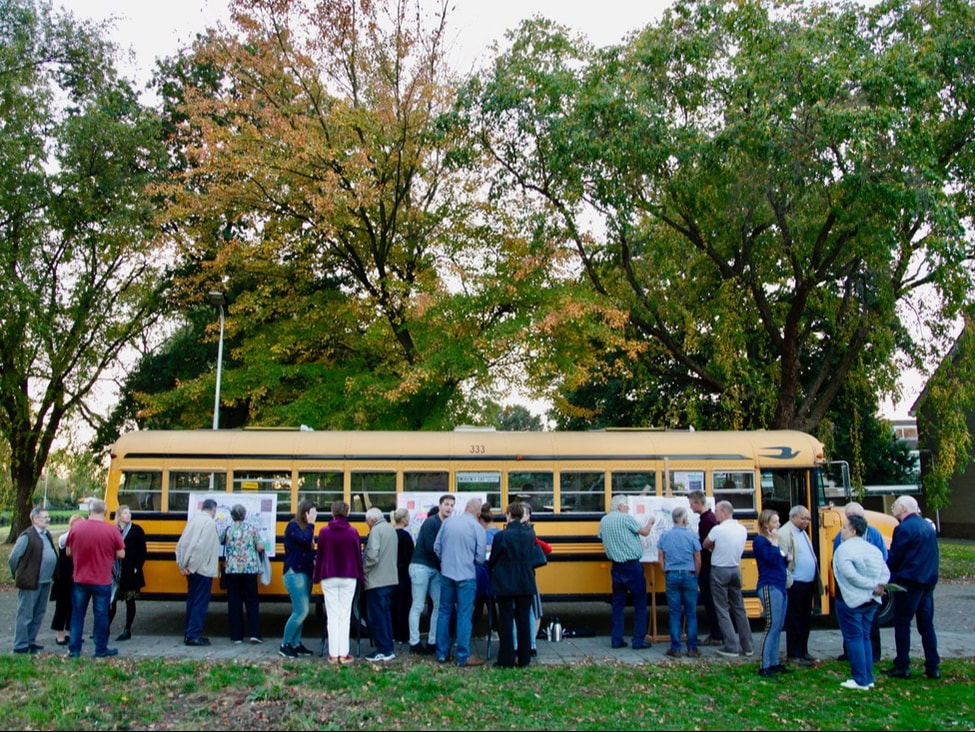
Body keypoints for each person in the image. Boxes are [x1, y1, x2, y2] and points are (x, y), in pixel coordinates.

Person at [884, 495, 940, 680]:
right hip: (927, 582)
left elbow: (895, 556)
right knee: (926, 625)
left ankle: (902, 665)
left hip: (908, 581)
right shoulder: (927, 527)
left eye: (896, 506)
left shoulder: (903, 529)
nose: (894, 509)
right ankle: (933, 665)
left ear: (904, 508)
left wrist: (886, 575)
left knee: (902, 623)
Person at [833, 514, 890, 690]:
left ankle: (859, 679)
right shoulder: (873, 549)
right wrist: (878, 586)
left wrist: (872, 586)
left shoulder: (844, 550)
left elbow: (850, 575)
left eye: (844, 528)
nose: (841, 531)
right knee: (865, 637)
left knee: (854, 638)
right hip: (872, 601)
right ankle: (868, 677)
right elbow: (885, 572)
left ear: (853, 531)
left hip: (851, 601)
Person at [66, 499, 126, 658]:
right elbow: (121, 554)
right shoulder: (112, 530)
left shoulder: (76, 528)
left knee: (77, 615)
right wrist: (107, 555)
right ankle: (100, 649)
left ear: (89, 511)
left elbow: (68, 552)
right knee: (101, 616)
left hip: (80, 579)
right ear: (105, 513)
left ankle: (74, 650)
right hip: (102, 580)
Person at [434, 497, 487, 666]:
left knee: (444, 612)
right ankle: (463, 656)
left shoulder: (448, 523)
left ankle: (442, 653)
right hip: (466, 576)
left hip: (447, 574)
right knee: (464, 615)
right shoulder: (478, 528)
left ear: (465, 507)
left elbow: (437, 547)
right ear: (478, 514)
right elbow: (480, 558)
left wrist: (446, 561)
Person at [598, 494, 654, 650]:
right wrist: (650, 521)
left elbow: (601, 537)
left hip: (616, 567)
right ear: (619, 507)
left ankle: (616, 639)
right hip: (632, 566)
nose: (628, 508)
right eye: (626, 505)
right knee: (640, 602)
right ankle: (638, 640)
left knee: (618, 604)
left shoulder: (604, 520)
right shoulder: (625, 518)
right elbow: (644, 532)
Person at [313, 500, 364, 664]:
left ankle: (333, 654)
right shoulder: (353, 532)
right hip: (349, 576)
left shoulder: (324, 532)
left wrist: (316, 577)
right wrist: (361, 577)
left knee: (332, 615)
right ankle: (344, 653)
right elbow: (358, 557)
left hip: (329, 576)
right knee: (345, 614)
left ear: (332, 513)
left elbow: (319, 556)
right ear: (347, 513)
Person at [702, 500, 754, 658]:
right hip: (735, 569)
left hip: (719, 570)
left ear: (724, 512)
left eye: (717, 511)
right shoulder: (742, 529)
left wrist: (714, 549)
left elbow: (705, 544)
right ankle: (748, 646)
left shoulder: (717, 530)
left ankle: (731, 646)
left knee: (722, 608)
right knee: (739, 608)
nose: (715, 513)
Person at [488, 502, 537, 668]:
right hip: (525, 580)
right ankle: (525, 658)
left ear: (508, 515)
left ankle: (506, 659)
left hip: (506, 582)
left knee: (506, 620)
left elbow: (493, 559)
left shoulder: (501, 536)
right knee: (524, 619)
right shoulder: (529, 534)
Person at [408, 494, 454, 655]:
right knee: (418, 606)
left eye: (452, 505)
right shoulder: (431, 523)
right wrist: (445, 563)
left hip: (435, 568)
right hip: (421, 565)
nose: (449, 508)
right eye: (446, 504)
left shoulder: (447, 524)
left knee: (439, 604)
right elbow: (431, 547)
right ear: (440, 506)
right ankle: (414, 642)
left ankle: (433, 640)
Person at [9, 506, 58, 654]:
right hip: (31, 581)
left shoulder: (46, 534)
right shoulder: (27, 536)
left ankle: (31, 640)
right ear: (35, 519)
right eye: (45, 517)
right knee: (26, 614)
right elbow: (13, 558)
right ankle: (20, 645)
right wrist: (17, 574)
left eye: (48, 517)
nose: (48, 519)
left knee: (38, 613)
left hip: (45, 581)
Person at [778, 504, 820, 667]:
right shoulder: (785, 533)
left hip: (807, 582)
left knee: (805, 619)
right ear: (793, 517)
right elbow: (783, 559)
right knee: (795, 619)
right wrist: (790, 580)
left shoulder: (802, 532)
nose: (807, 521)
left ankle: (803, 650)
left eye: (808, 518)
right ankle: (794, 653)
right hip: (796, 583)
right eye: (804, 518)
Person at [657, 505, 702, 658]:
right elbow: (697, 558)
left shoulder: (665, 536)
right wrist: (695, 573)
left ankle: (675, 648)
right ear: (684, 520)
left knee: (674, 613)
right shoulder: (692, 536)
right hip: (689, 574)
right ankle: (692, 648)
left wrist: (665, 572)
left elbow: (660, 558)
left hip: (672, 575)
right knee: (691, 613)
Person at [175, 498, 220, 647]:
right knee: (200, 602)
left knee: (192, 601)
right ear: (213, 510)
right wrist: (193, 567)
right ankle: (194, 635)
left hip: (190, 568)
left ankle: (188, 632)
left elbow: (181, 544)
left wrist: (183, 565)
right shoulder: (209, 523)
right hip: (202, 569)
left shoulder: (193, 521)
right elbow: (202, 547)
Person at [220, 504, 265, 644]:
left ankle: (236, 636)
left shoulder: (228, 530)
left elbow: (221, 541)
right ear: (244, 515)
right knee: (251, 601)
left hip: (232, 570)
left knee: (234, 602)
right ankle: (254, 633)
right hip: (249, 570)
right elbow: (260, 546)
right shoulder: (251, 529)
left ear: (232, 516)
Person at [753, 509, 789, 677]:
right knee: (771, 625)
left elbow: (780, 562)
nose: (778, 525)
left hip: (780, 585)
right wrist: (775, 543)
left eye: (778, 521)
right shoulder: (760, 541)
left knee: (778, 626)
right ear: (766, 524)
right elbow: (771, 559)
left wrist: (786, 558)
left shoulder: (774, 542)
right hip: (769, 585)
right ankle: (764, 665)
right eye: (775, 522)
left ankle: (774, 662)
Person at [281, 500, 317, 657]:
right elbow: (304, 540)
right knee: (302, 611)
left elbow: (308, 549)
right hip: (294, 572)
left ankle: (295, 643)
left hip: (306, 572)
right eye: (312, 513)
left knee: (299, 610)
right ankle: (285, 644)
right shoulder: (293, 527)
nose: (315, 516)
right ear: (305, 513)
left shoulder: (304, 528)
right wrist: (311, 524)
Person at [362, 507, 398, 662]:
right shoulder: (391, 530)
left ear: (371, 520)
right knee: (386, 615)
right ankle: (389, 647)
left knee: (376, 617)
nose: (367, 525)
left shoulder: (376, 531)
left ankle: (383, 649)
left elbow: (372, 556)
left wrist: (362, 569)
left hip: (377, 581)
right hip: (390, 579)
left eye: (366, 522)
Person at [689, 490, 723, 646]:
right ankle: (716, 633)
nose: (690, 507)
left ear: (698, 503)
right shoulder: (707, 518)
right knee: (710, 601)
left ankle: (716, 634)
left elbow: (708, 545)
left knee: (710, 601)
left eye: (691, 504)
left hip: (707, 566)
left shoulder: (707, 520)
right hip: (708, 565)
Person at [109, 505, 146, 641]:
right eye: (125, 513)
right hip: (115, 572)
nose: (128, 515)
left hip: (131, 572)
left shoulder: (136, 530)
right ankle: (105, 627)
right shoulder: (113, 531)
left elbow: (142, 551)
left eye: (129, 513)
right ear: (119, 516)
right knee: (111, 601)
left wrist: (137, 567)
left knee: (130, 601)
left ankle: (127, 629)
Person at [51, 513, 84, 646]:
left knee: (75, 605)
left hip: (77, 575)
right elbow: (65, 542)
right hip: (64, 576)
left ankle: (72, 631)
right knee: (62, 605)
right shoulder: (65, 537)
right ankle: (60, 632)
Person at [391, 508, 414, 645]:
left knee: (393, 605)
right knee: (404, 605)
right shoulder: (406, 537)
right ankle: (403, 634)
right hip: (404, 574)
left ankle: (393, 633)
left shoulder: (391, 534)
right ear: (404, 519)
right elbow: (410, 556)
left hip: (392, 573)